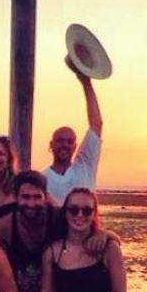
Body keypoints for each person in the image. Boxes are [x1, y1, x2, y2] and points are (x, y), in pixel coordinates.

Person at [42, 61, 104, 203]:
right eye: (60, 141)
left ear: (75, 146)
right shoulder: (43, 179)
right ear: (51, 144)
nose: (65, 145)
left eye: (69, 142)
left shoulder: (85, 166)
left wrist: (86, 83)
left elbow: (96, 124)